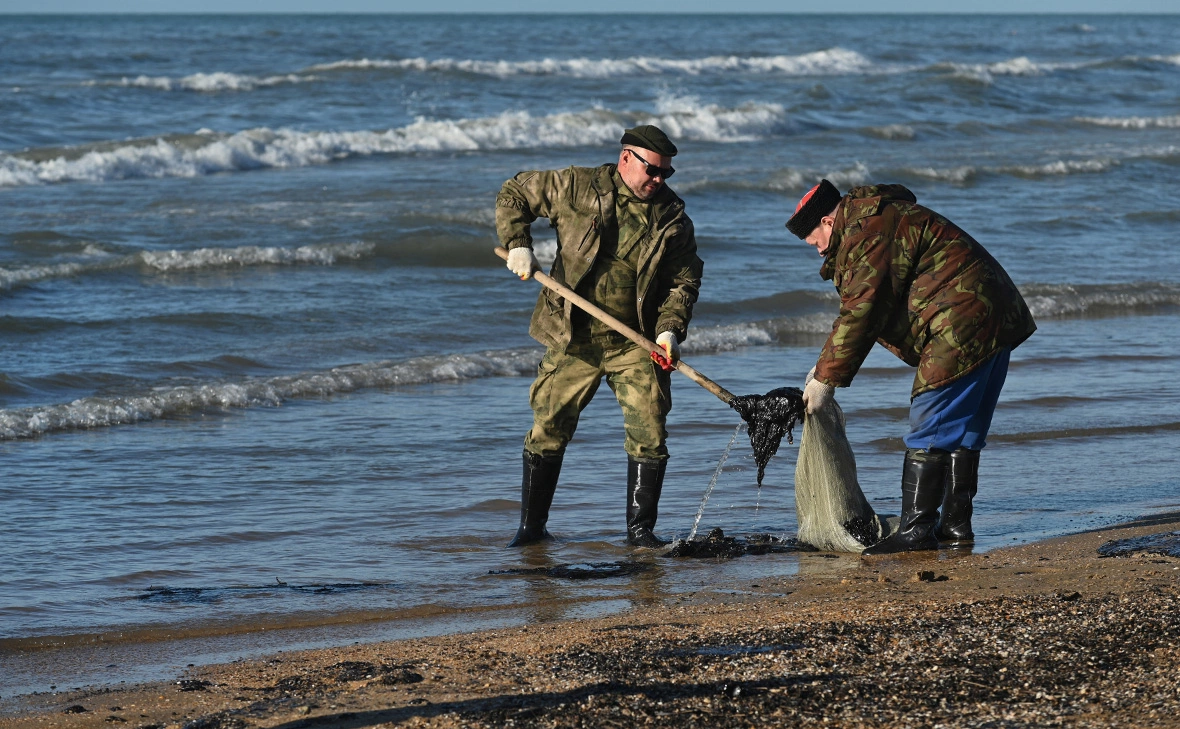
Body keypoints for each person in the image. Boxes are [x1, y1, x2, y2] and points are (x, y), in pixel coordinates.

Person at [786, 180, 1036, 554]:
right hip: (993, 314)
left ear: (827, 220)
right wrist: (822, 370)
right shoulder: (879, 218)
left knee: (930, 423)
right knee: (963, 431)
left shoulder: (866, 233)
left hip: (960, 320)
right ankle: (954, 527)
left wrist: (824, 381)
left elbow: (861, 312)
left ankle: (917, 530)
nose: (816, 249)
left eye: (814, 239)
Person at [497, 125, 703, 548]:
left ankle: (640, 534)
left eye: (667, 173)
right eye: (654, 170)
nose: (660, 180)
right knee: (549, 425)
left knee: (650, 431)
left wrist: (668, 331)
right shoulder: (575, 186)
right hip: (574, 336)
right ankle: (531, 531)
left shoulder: (672, 218)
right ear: (626, 157)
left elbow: (683, 281)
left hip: (637, 341)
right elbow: (514, 193)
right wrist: (518, 243)